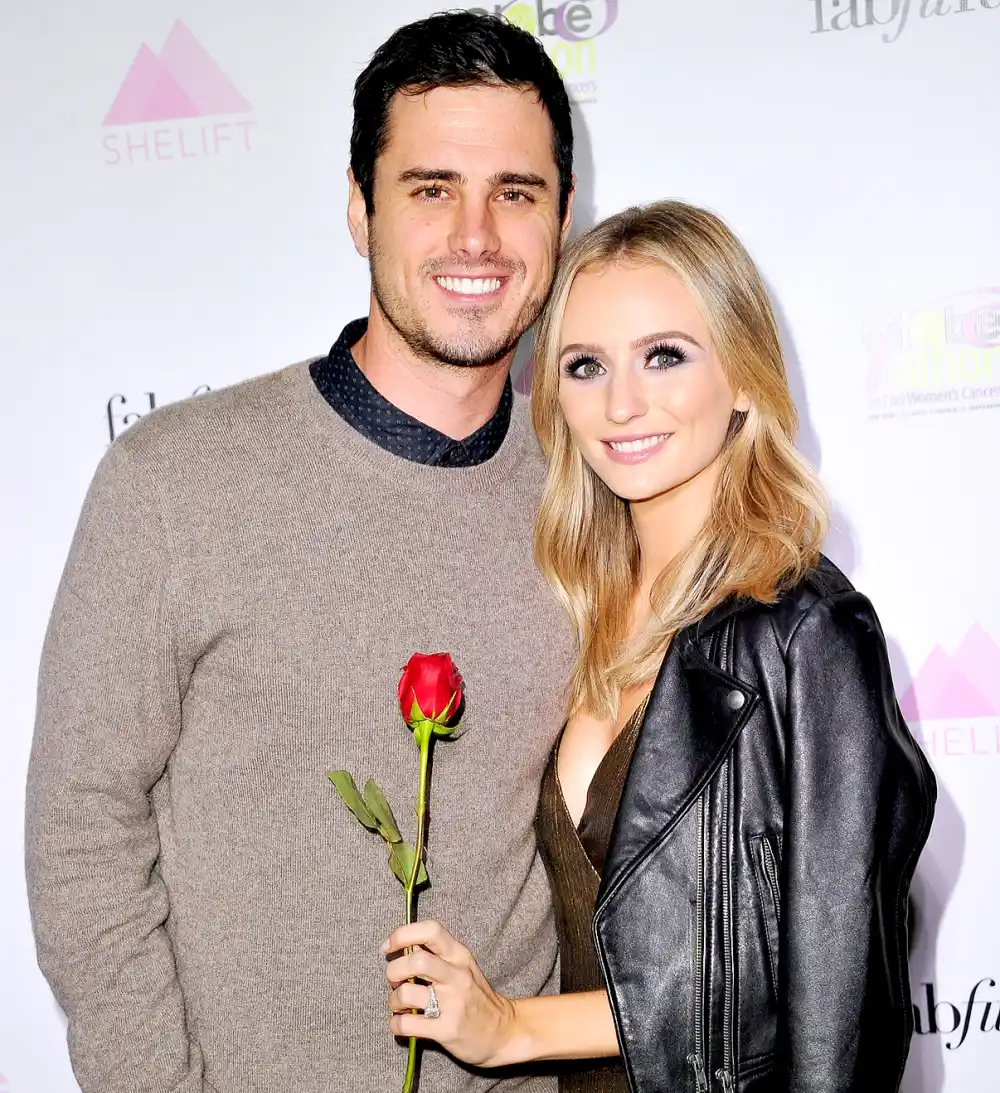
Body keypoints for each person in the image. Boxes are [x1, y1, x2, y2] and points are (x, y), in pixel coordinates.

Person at [25, 13, 577, 1093]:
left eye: (515, 192)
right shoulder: (174, 482)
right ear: (359, 212)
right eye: (429, 189)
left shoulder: (593, 500)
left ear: (561, 218)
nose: (476, 235)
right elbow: (81, 835)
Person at [382, 201, 937, 1092]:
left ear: (745, 375)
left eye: (665, 356)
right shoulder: (576, 610)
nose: (622, 403)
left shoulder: (808, 636)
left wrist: (515, 1026)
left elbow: (832, 1004)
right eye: (586, 366)